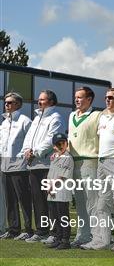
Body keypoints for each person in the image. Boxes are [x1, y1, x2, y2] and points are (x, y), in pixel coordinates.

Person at [83, 88, 114, 251]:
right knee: (102, 203)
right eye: (106, 98)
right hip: (102, 163)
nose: (107, 100)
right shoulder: (103, 117)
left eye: (111, 97)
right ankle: (103, 240)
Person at [19, 90, 64, 243]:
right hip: (33, 166)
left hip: (47, 165)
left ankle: (54, 232)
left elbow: (51, 139)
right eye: (38, 100)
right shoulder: (37, 118)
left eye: (42, 100)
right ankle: (41, 231)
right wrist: (26, 151)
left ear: (51, 102)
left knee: (50, 201)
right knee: (38, 201)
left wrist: (35, 152)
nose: (39, 102)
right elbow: (28, 139)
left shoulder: (55, 117)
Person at [68, 87, 101, 248]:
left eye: (80, 97)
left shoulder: (97, 116)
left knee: (92, 202)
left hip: (90, 162)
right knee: (80, 202)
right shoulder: (71, 115)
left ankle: (97, 236)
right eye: (76, 97)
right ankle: (83, 235)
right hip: (75, 163)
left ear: (89, 99)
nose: (77, 100)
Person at [0, 92, 32, 240]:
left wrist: (23, 158)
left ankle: (28, 229)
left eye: (10, 102)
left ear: (18, 104)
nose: (7, 105)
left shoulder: (25, 121)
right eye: (6, 102)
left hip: (20, 166)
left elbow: (30, 142)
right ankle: (13, 230)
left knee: (23, 199)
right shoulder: (4, 122)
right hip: (5, 166)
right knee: (10, 200)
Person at [44, 133, 74, 250]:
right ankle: (58, 237)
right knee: (55, 216)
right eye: (57, 144)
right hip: (52, 191)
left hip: (61, 190)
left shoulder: (67, 157)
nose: (60, 146)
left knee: (63, 216)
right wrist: (48, 186)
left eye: (62, 143)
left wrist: (51, 186)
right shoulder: (55, 157)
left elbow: (61, 177)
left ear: (66, 144)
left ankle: (65, 240)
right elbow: (51, 173)